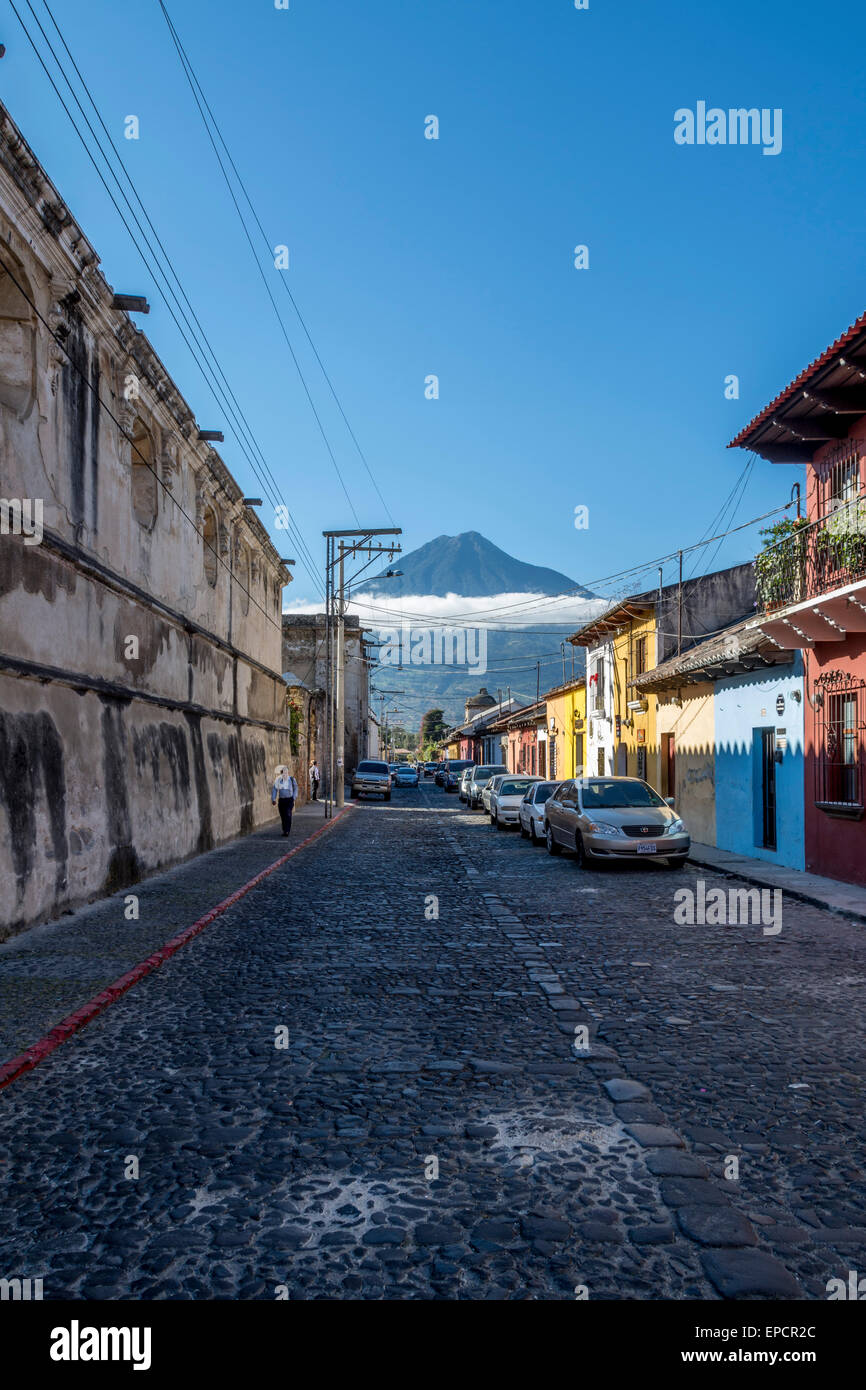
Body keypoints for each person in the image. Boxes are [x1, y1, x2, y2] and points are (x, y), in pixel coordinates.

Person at [271, 765, 298, 837]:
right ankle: (284, 829)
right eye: (283, 772)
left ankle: (287, 831)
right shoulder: (278, 780)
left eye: (285, 772)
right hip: (281, 800)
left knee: (288, 814)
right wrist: (273, 799)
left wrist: (294, 797)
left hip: (289, 800)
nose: (284, 773)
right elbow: (274, 789)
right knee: (283, 816)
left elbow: (296, 788)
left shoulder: (292, 779)